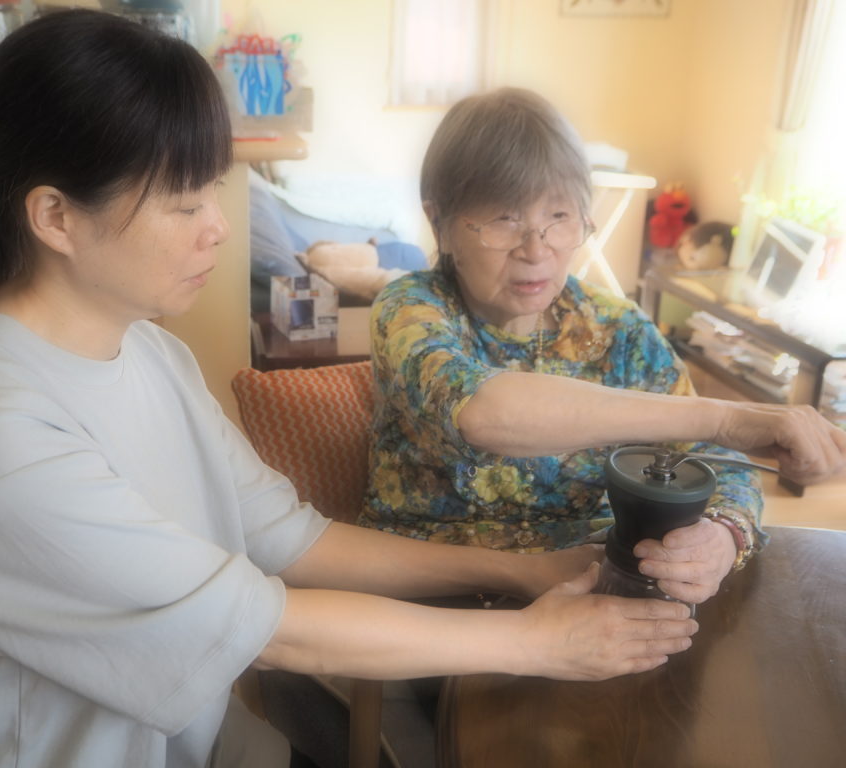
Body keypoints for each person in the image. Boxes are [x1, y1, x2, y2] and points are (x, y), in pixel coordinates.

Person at [0, 15, 699, 768]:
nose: (218, 227)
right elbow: (270, 628)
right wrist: (537, 642)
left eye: (212, 191)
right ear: (55, 217)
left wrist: (521, 571)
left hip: (203, 746)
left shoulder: (150, 352)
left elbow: (292, 541)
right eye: (183, 204)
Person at [362, 86, 846, 607]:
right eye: (504, 219)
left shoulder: (616, 328)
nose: (536, 250)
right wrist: (725, 416)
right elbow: (483, 414)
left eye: (559, 216)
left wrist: (723, 535)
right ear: (439, 223)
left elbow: (717, 459)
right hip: (434, 600)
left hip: (593, 591)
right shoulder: (410, 310)